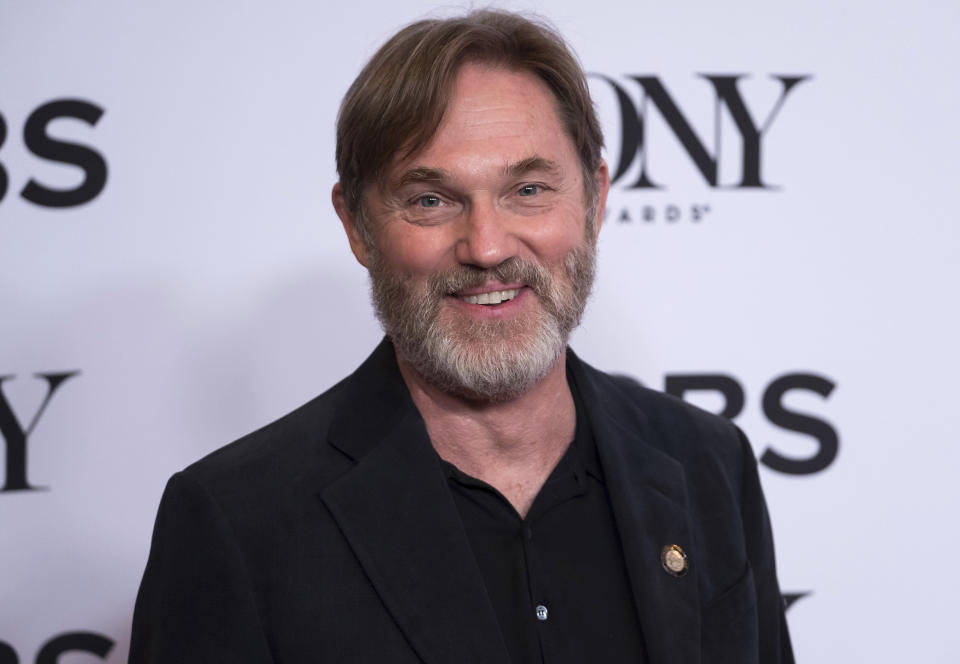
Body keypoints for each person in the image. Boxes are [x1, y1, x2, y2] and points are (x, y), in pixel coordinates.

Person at [130, 10, 793, 663]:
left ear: (593, 202)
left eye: (528, 189)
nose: (486, 247)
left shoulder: (709, 464)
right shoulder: (239, 523)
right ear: (357, 225)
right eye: (430, 200)